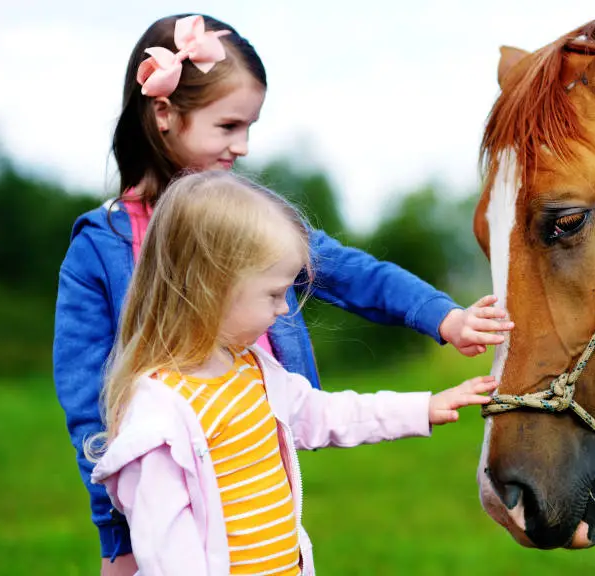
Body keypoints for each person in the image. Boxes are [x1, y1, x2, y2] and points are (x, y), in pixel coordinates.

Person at [52, 14, 512, 575]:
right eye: (227, 126)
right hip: (171, 483)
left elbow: (352, 272)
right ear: (165, 114)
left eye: (250, 127)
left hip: (254, 457)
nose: (243, 146)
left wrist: (446, 318)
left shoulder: (252, 224)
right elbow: (88, 403)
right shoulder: (100, 245)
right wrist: (116, 537)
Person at [88, 170, 498, 575]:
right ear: (212, 288)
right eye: (272, 293)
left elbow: (327, 414)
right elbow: (167, 559)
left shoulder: (254, 371)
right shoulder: (159, 419)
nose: (284, 308)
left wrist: (423, 407)